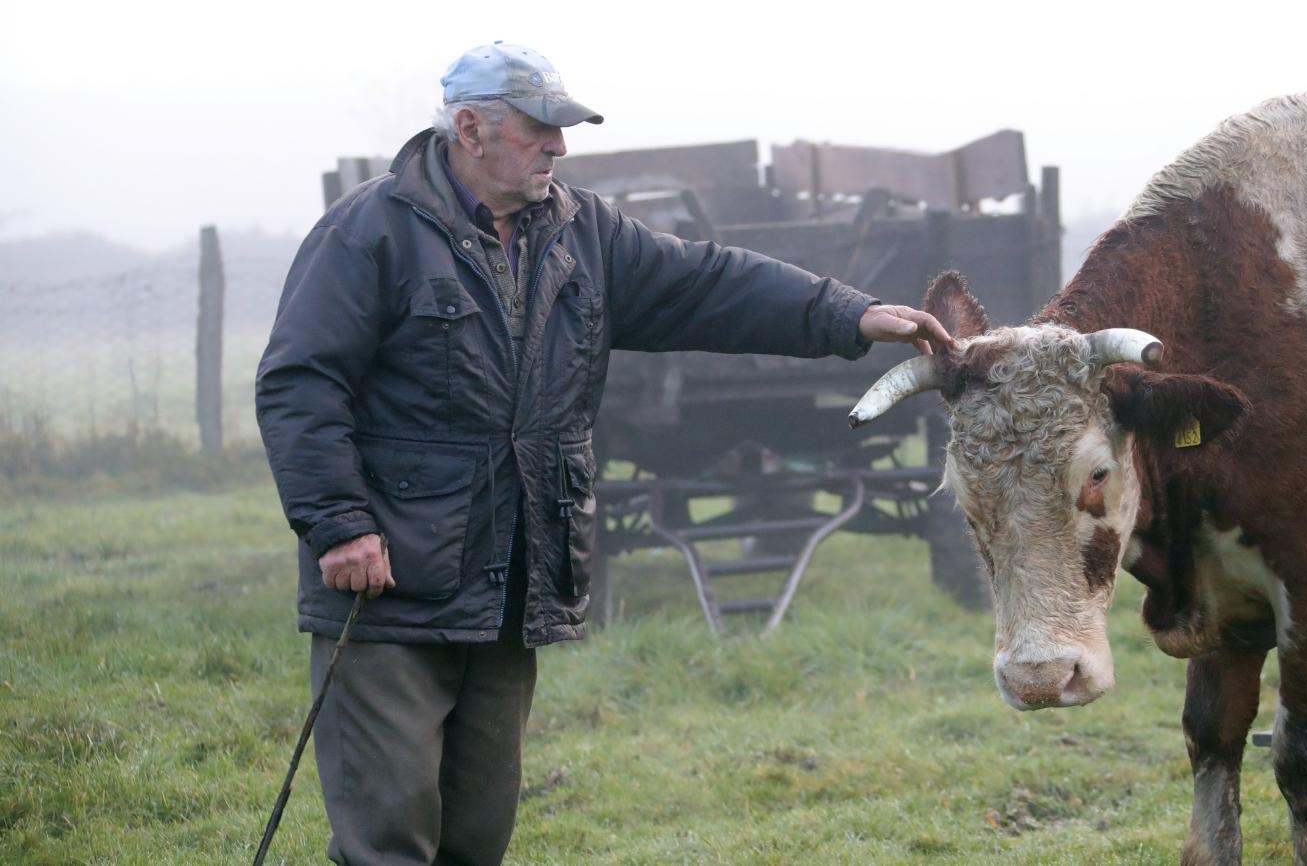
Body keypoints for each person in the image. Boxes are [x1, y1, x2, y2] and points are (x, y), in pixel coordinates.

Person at [255, 42, 953, 866]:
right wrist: (340, 525)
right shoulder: (367, 232)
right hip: (393, 587)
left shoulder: (581, 231)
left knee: (476, 839)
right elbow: (300, 383)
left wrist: (849, 314)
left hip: (512, 586)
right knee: (388, 842)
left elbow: (708, 284)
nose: (558, 145)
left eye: (562, 128)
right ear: (469, 129)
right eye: (538, 128)